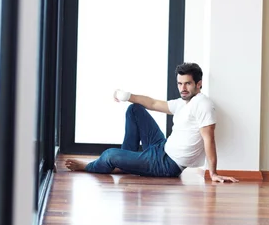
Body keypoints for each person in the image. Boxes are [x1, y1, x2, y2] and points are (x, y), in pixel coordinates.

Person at [65, 62, 238, 183]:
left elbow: (209, 139)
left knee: (110, 154)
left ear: (198, 84)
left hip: (166, 165)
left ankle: (90, 166)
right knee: (135, 109)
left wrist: (213, 172)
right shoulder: (183, 103)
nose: (182, 89)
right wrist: (126, 96)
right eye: (180, 84)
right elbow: (153, 103)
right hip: (161, 147)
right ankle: (126, 162)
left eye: (188, 84)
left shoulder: (203, 104)